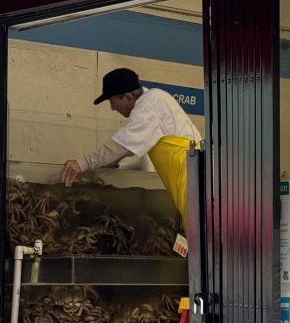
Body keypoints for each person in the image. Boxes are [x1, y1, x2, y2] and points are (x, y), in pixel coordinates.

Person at [61, 68, 202, 224]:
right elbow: (133, 148)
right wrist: (117, 164)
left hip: (192, 181)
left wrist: (83, 163)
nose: (112, 108)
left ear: (127, 97)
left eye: (112, 102)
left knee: (202, 235)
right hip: (193, 179)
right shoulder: (155, 100)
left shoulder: (150, 104)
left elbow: (122, 145)